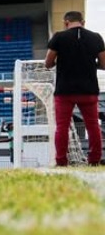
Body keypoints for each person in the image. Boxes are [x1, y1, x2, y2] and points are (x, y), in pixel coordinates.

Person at [45, 11, 105, 166]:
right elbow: (104, 64)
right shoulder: (96, 37)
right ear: (83, 22)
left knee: (62, 128)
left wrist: (61, 62)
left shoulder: (59, 37)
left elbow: (48, 63)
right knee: (93, 126)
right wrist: (92, 64)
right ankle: (94, 161)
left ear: (66, 23)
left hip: (65, 91)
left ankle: (61, 162)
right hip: (89, 90)